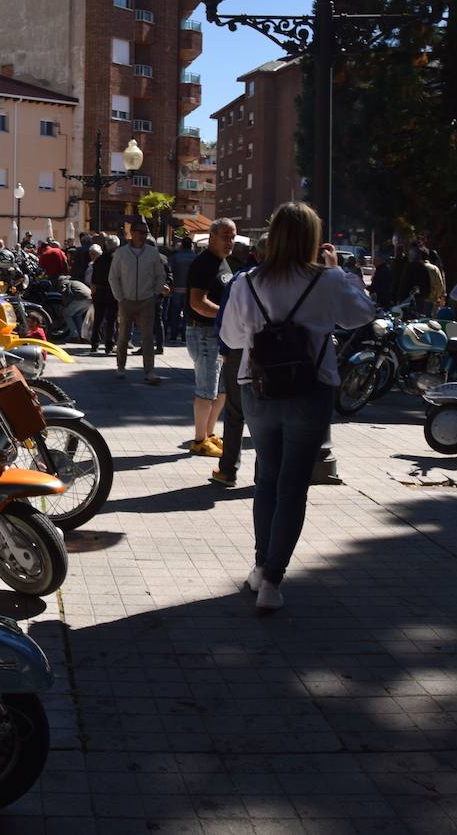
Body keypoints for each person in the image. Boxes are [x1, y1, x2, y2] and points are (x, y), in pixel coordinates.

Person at [219, 202, 375, 612]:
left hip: (259, 389)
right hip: (311, 389)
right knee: (293, 486)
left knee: (266, 478)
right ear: (310, 238)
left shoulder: (246, 282)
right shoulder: (329, 280)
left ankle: (259, 565)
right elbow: (362, 315)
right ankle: (273, 580)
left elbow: (233, 339)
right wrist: (341, 269)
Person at [185, 219, 237, 455]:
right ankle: (198, 441)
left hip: (220, 334)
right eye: (225, 236)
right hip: (203, 332)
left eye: (233, 236)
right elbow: (197, 303)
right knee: (207, 389)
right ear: (212, 236)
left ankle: (209, 433)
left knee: (222, 389)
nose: (230, 242)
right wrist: (227, 313)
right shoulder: (204, 263)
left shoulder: (223, 262)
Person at [210, 235, 259, 488]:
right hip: (280, 355)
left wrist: (225, 348)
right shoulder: (292, 280)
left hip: (241, 351)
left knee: (235, 413)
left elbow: (225, 320)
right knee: (268, 417)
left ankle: (228, 470)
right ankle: (264, 475)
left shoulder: (242, 279)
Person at [108, 221, 169, 385]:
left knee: (148, 337)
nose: (143, 236)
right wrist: (119, 297)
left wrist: (154, 294)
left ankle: (149, 371)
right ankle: (120, 367)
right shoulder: (121, 253)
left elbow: (160, 275)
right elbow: (113, 277)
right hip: (126, 300)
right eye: (140, 232)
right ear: (132, 233)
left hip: (146, 300)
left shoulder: (152, 253)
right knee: (123, 337)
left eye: (145, 233)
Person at [89, 236, 117, 354]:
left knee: (98, 320)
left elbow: (93, 279)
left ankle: (95, 344)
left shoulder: (98, 260)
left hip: (99, 292)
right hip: (113, 292)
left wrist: (93, 291)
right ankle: (109, 345)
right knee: (111, 320)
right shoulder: (117, 260)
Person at [168, 238, 198, 343]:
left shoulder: (176, 257)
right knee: (187, 314)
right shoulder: (196, 257)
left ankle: (173, 335)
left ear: (182, 245)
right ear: (191, 245)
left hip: (177, 288)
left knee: (175, 313)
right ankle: (185, 336)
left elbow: (170, 271)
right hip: (190, 289)